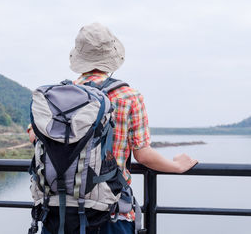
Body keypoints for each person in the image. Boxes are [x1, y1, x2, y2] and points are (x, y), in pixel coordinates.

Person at [27, 22, 198, 234]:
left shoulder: (58, 99)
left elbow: (35, 135)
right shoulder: (129, 96)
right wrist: (177, 166)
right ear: (112, 56)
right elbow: (143, 155)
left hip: (60, 210)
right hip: (110, 211)